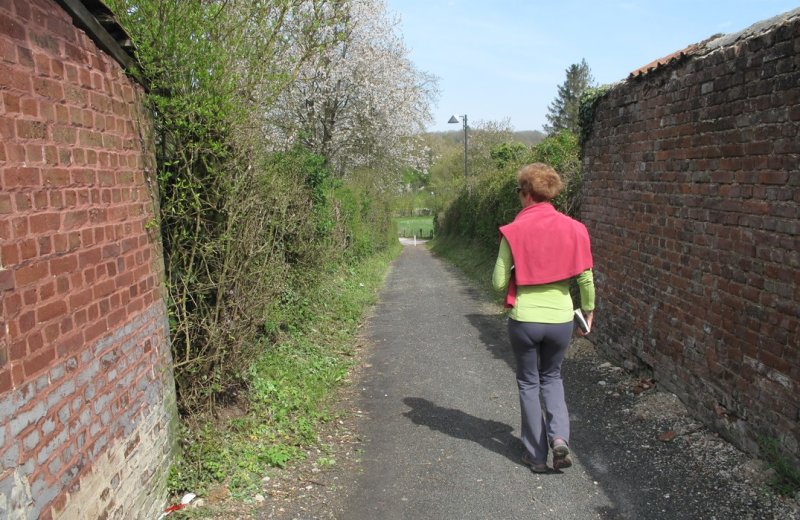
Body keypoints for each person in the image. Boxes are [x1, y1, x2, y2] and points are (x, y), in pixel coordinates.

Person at [492, 163, 595, 473]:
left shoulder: (513, 231)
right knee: (552, 377)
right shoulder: (576, 229)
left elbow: (498, 282)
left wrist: (517, 271)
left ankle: (536, 456)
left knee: (528, 382)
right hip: (561, 319)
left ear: (526, 194)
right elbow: (586, 280)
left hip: (524, 319)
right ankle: (560, 438)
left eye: (519, 192)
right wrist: (588, 311)